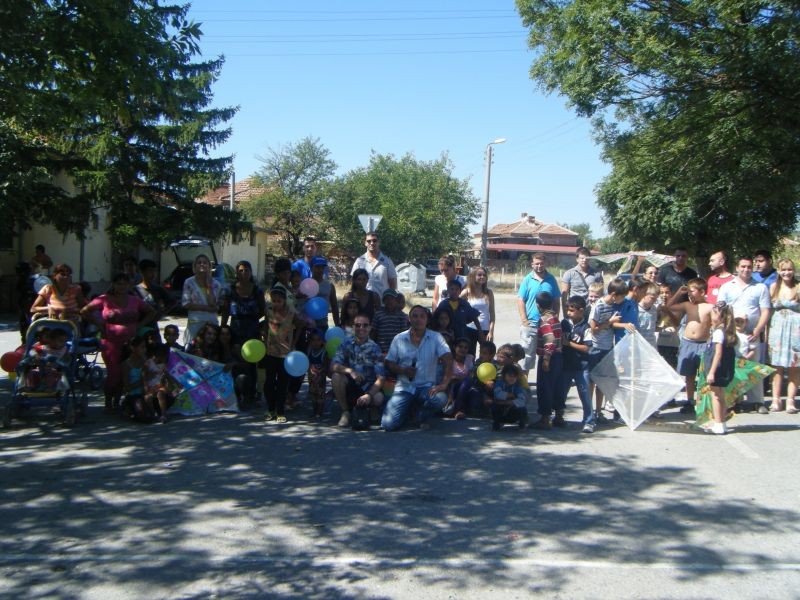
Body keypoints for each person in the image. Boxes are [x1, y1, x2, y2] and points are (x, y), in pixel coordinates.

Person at [80, 273, 156, 412]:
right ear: (113, 284)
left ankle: (118, 402)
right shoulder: (104, 299)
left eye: (125, 283)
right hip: (111, 342)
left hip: (131, 343)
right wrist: (99, 324)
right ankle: (108, 403)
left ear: (129, 285)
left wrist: (139, 325)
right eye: (119, 283)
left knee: (126, 373)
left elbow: (152, 312)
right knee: (113, 374)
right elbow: (85, 311)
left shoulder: (135, 300)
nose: (122, 286)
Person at [382, 305, 453, 431]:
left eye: (422, 316)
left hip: (426, 387)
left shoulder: (436, 337)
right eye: (415, 316)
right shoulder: (399, 338)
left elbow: (448, 359)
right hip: (404, 388)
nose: (418, 319)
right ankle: (407, 412)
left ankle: (420, 415)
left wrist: (444, 384)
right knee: (388, 424)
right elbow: (388, 362)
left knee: (440, 399)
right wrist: (403, 370)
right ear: (409, 319)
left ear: (427, 320)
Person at [717, 256, 772, 412]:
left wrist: (758, 330)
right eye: (743, 266)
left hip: (751, 334)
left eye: (749, 267)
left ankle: (757, 401)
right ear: (737, 268)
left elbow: (765, 311)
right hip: (731, 334)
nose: (746, 269)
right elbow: (720, 309)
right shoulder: (727, 287)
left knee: (753, 368)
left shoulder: (760, 287)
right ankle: (733, 401)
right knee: (732, 368)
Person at [330, 313, 386, 429]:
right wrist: (350, 371)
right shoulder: (345, 343)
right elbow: (333, 365)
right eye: (358, 325)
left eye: (365, 325)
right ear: (353, 327)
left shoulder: (375, 348)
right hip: (350, 384)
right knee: (336, 376)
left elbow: (381, 378)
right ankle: (345, 412)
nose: (361, 328)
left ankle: (370, 410)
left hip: (368, 387)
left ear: (370, 328)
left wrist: (369, 395)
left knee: (378, 398)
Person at [666, 278, 713, 413]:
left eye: (692, 291)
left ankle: (704, 400)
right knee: (689, 374)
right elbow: (669, 306)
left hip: (703, 343)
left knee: (704, 374)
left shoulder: (710, 307)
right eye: (688, 291)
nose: (689, 294)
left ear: (702, 292)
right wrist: (678, 293)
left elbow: (716, 323)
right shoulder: (687, 305)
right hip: (688, 343)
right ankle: (689, 400)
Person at [588, 279, 630, 425]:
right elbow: (593, 329)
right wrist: (610, 322)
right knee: (591, 381)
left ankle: (598, 412)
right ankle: (589, 411)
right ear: (613, 294)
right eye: (621, 296)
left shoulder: (613, 305)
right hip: (596, 348)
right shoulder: (598, 306)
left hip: (608, 348)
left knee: (602, 381)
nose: (623, 299)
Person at [262, 286, 304, 424]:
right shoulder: (268, 311)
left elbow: (300, 325)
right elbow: (265, 326)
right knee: (269, 382)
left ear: (284, 300)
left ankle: (280, 410)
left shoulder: (291, 313)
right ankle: (270, 408)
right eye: (273, 300)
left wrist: (294, 342)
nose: (276, 303)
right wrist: (265, 337)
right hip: (270, 352)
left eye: (279, 301)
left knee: (282, 383)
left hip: (285, 354)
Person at [517, 252, 559, 375]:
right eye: (536, 263)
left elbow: (556, 300)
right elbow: (520, 300)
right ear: (532, 264)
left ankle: (543, 384)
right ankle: (524, 384)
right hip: (531, 324)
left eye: (541, 263)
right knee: (526, 357)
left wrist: (555, 317)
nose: (539, 266)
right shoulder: (527, 279)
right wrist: (524, 320)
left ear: (545, 263)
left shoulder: (551, 280)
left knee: (547, 355)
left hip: (547, 325)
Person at [557, 295, 593, 433]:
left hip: (581, 367)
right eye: (567, 310)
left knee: (585, 395)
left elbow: (587, 348)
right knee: (561, 393)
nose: (568, 313)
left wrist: (569, 344)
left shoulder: (586, 327)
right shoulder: (564, 323)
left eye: (572, 310)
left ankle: (589, 421)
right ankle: (558, 417)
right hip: (566, 366)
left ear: (581, 311)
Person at [767, 259, 800, 413]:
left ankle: (790, 400)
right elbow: (768, 310)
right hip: (777, 328)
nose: (787, 273)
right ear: (779, 271)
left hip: (796, 329)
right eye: (783, 270)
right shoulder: (774, 287)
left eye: (789, 269)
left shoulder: (798, 287)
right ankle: (776, 399)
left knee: (795, 365)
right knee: (776, 366)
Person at [703, 302, 737, 435]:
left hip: (717, 369)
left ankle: (718, 424)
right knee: (721, 395)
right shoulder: (726, 331)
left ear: (720, 316)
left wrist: (711, 372)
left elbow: (718, 353)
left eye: (713, 313)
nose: (711, 316)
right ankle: (722, 423)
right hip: (725, 368)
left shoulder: (718, 332)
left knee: (716, 396)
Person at [533, 291, 563, 429]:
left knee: (545, 388)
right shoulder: (555, 318)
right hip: (558, 357)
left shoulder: (544, 320)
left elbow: (550, 340)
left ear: (538, 306)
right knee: (557, 387)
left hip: (549, 357)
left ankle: (545, 418)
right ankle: (559, 416)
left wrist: (546, 359)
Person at [181, 254, 223, 345]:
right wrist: (207, 308)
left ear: (209, 266)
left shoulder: (216, 284)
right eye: (199, 262)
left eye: (205, 262)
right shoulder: (189, 282)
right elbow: (186, 304)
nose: (202, 264)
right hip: (195, 323)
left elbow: (213, 304)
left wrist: (209, 285)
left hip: (211, 323)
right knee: (194, 348)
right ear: (194, 266)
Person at [221, 260, 266, 346]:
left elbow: (263, 310)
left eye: (246, 270)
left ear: (251, 272)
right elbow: (225, 311)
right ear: (236, 273)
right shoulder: (230, 290)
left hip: (253, 331)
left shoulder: (258, 291)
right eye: (241, 270)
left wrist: (251, 319)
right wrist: (223, 327)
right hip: (235, 331)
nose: (244, 273)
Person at [432, 279, 482, 347]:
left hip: (462, 334)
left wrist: (480, 331)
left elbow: (474, 317)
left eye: (456, 289)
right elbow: (435, 319)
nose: (454, 291)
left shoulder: (464, 303)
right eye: (452, 289)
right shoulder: (443, 304)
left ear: (460, 291)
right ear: (448, 290)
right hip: (448, 336)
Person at [350, 231, 397, 298]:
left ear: (378, 242)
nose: (372, 243)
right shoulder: (359, 261)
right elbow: (354, 282)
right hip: (363, 301)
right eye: (369, 241)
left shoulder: (387, 261)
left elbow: (393, 284)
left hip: (382, 301)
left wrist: (391, 299)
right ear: (365, 243)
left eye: (374, 240)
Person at [461, 266, 496, 352]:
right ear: (473, 277)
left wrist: (491, 331)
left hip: (485, 328)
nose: (482, 277)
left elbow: (492, 313)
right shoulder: (467, 292)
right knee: (470, 355)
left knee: (486, 354)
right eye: (479, 275)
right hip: (470, 328)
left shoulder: (488, 292)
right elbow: (457, 303)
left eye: (484, 275)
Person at [560, 246, 603, 316]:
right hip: (574, 311)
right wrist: (565, 313)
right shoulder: (569, 273)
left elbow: (601, 293)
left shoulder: (597, 274)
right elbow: (564, 295)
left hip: (591, 311)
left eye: (587, 258)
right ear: (577, 259)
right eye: (582, 258)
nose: (584, 260)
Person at [489, 364, 528, 431]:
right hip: (501, 411)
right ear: (504, 375)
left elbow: (522, 400)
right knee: (494, 406)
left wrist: (508, 402)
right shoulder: (499, 384)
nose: (512, 378)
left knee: (523, 409)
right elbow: (497, 394)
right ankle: (496, 424)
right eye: (510, 376)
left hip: (512, 413)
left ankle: (522, 425)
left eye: (514, 376)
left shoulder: (517, 387)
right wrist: (508, 395)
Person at [371, 289, 410, 354]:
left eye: (392, 298)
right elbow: (373, 332)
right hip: (380, 349)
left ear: (396, 301)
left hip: (396, 350)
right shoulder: (378, 314)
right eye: (387, 299)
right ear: (383, 301)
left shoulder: (402, 316)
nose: (389, 301)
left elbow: (403, 334)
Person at [142, 343, 173, 424]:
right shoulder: (148, 363)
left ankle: (163, 414)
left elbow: (167, 375)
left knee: (160, 394)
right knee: (148, 398)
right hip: (151, 386)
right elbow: (144, 375)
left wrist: (170, 382)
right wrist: (145, 385)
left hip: (160, 385)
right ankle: (153, 414)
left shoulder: (163, 364)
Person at [310, 256, 339, 331]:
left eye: (322, 267)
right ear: (311, 268)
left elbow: (335, 307)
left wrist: (337, 325)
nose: (320, 270)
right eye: (317, 267)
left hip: (323, 325)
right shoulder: (305, 285)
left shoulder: (330, 286)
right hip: (306, 325)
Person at [306, 330, 329, 419]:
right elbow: (307, 363)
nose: (316, 342)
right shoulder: (310, 351)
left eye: (318, 340)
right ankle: (314, 411)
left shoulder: (324, 352)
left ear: (322, 341)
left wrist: (320, 371)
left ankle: (319, 412)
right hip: (311, 378)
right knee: (313, 395)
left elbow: (326, 366)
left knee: (320, 395)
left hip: (320, 379)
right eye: (313, 340)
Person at [638, 283, 660, 348]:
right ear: (644, 295)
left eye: (656, 299)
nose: (654, 301)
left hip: (651, 344)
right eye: (652, 298)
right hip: (639, 344)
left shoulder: (654, 309)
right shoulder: (636, 309)